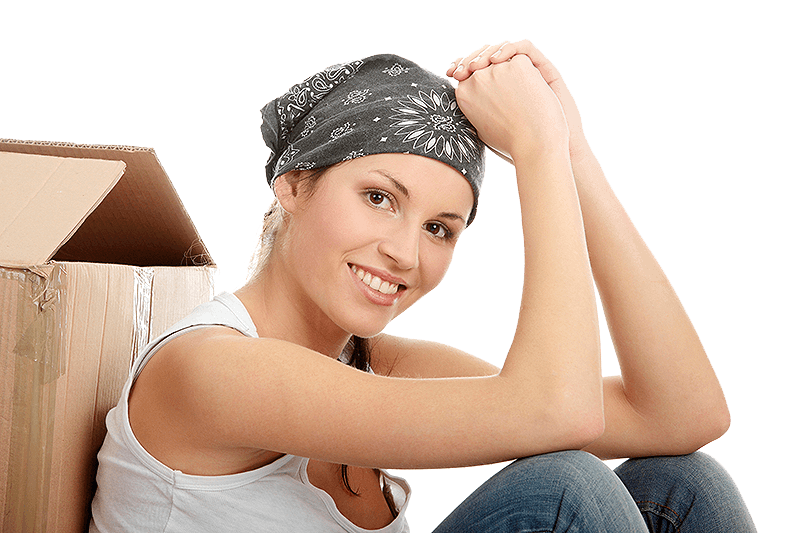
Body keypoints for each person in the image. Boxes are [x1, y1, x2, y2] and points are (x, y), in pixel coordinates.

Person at [90, 40, 756, 532]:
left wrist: (572, 148)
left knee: (684, 480)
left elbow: (681, 414)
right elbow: (560, 412)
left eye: (440, 227)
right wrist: (536, 151)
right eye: (379, 197)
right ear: (292, 182)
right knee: (567, 488)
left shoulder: (383, 367)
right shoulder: (209, 366)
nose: (405, 252)